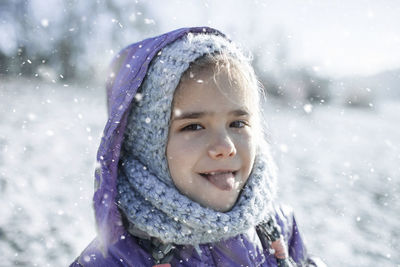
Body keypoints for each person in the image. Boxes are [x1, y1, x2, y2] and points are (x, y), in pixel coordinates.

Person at [70, 27, 326, 267]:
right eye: (193, 127)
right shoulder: (118, 259)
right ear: (147, 147)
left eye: (237, 123)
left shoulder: (279, 230)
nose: (225, 147)